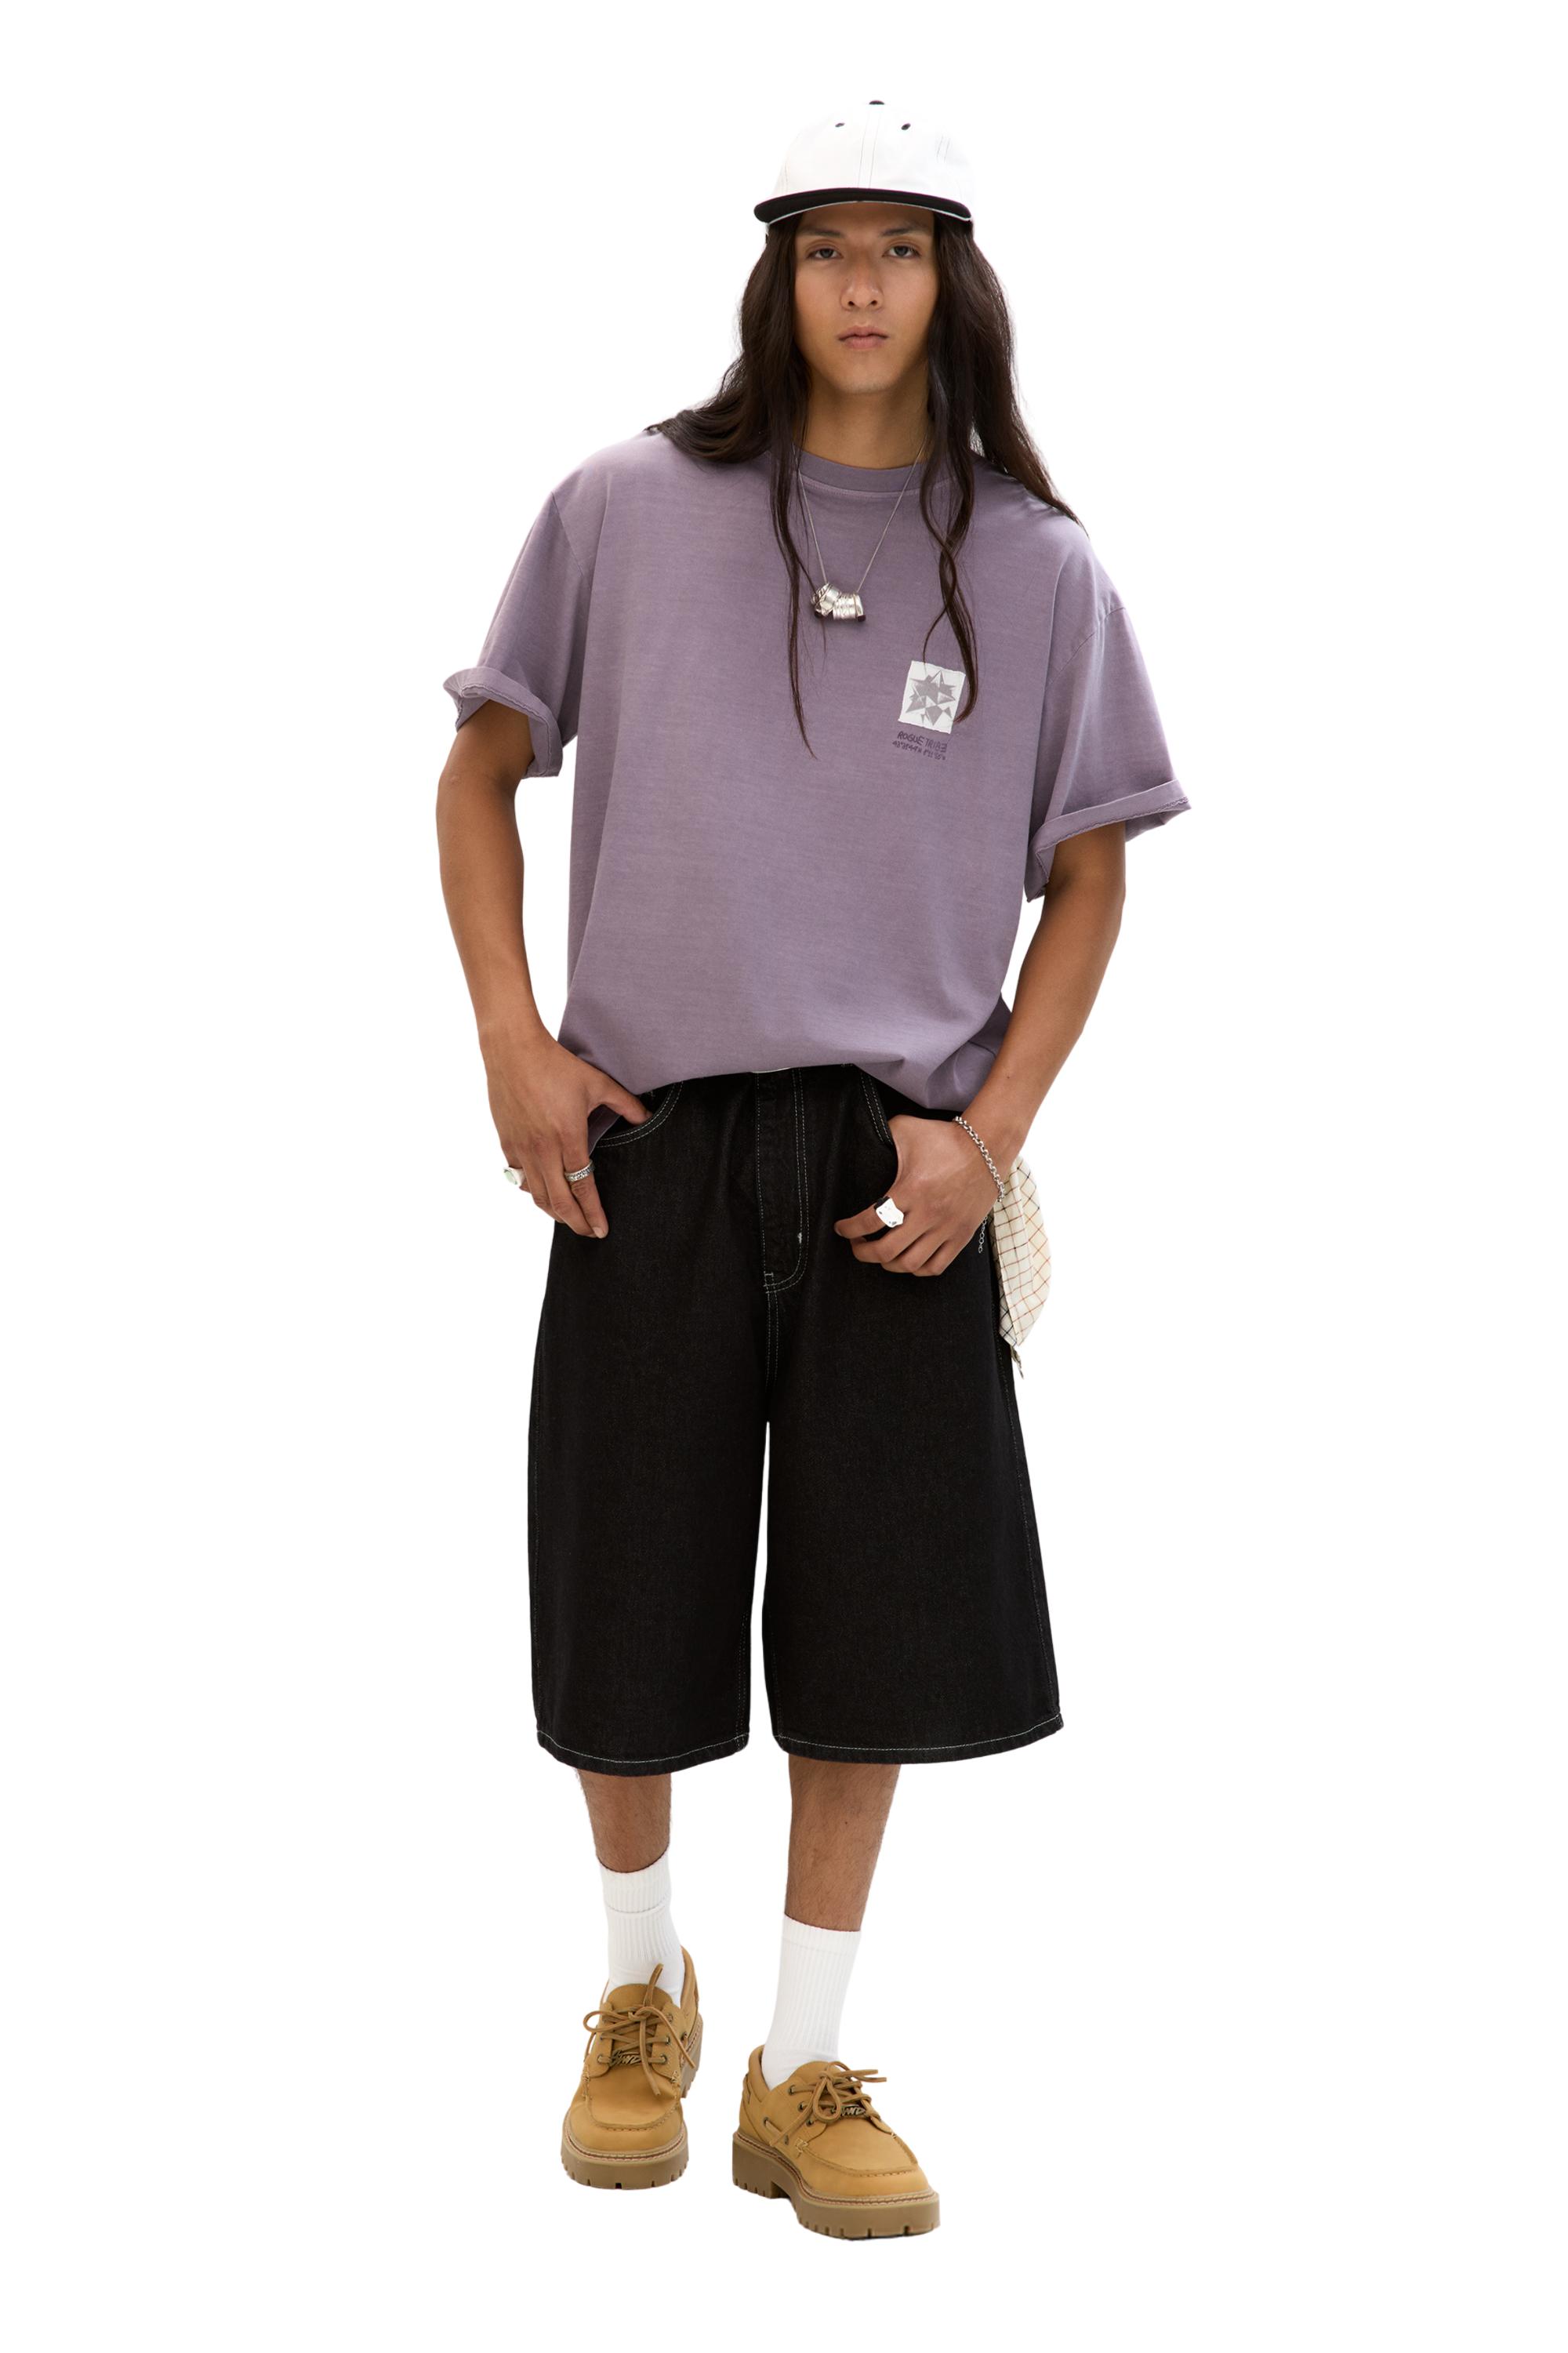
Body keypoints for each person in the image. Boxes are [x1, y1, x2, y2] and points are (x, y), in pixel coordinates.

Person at [435, 98, 1190, 2239]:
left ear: (955, 281)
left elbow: (1092, 876)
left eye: (902, 246)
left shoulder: (1038, 567)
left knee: (875, 1624)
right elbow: (479, 770)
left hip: (896, 1167)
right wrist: (513, 1042)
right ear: (775, 276)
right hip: (648, 1140)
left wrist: (988, 1135)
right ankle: (635, 2001)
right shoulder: (623, 507)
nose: (863, 284)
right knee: (626, 1594)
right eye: (826, 245)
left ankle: (801, 2058)